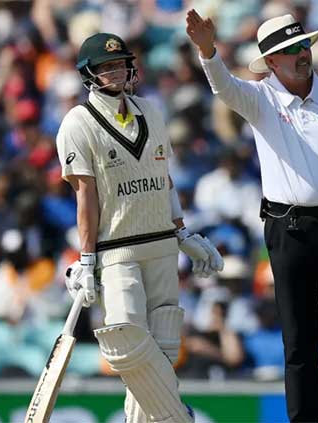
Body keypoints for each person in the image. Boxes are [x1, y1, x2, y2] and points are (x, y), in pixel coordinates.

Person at [186, 10, 318, 422]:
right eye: (289, 50)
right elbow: (223, 87)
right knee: (299, 344)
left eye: (303, 45)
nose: (302, 54)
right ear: (271, 62)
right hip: (290, 230)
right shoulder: (260, 98)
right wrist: (208, 50)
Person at [56, 33, 224, 423]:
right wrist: (86, 259)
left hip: (162, 244)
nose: (115, 72)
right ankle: (176, 417)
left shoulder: (150, 110)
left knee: (163, 348)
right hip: (118, 248)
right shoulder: (78, 123)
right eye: (106, 67)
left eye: (120, 64)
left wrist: (183, 233)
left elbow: (163, 178)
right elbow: (86, 197)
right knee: (126, 343)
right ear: (89, 75)